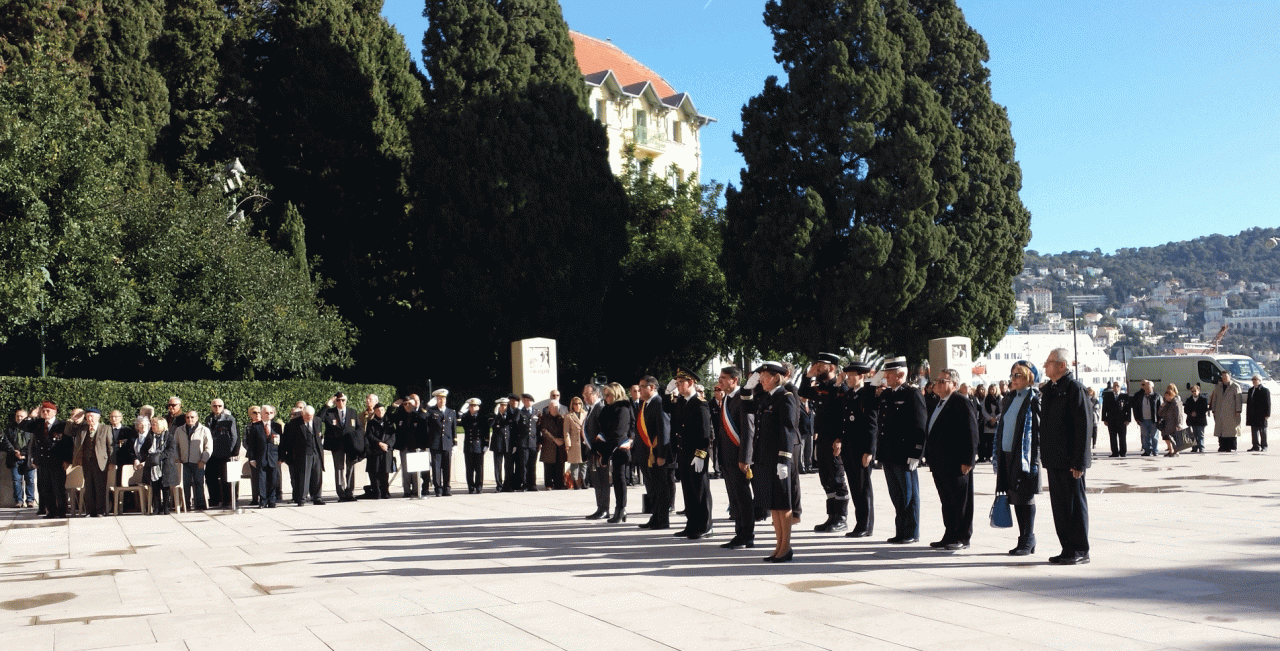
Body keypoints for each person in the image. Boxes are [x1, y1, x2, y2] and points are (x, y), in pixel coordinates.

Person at [1040, 348, 1094, 565]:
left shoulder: (1074, 389)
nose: (1045, 366)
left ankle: (1080, 549)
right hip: (1054, 459)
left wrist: (1080, 461)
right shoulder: (1051, 390)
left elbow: (1084, 427)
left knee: (1074, 505)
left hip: (1070, 461)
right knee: (1060, 507)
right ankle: (1067, 548)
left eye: (1049, 362)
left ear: (1062, 365)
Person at [748, 361, 800, 562]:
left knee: (783, 503)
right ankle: (779, 545)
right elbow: (746, 406)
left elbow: (788, 429)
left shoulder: (785, 397)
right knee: (774, 505)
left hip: (779, 459)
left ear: (777, 377)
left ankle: (786, 547)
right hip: (767, 459)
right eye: (760, 377)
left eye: (765, 377)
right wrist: (747, 386)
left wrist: (784, 459)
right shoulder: (767, 398)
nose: (761, 381)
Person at [924, 369, 979, 551]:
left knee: (960, 502)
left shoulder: (961, 402)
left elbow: (971, 432)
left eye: (943, 381)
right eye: (937, 380)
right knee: (946, 501)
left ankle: (962, 536)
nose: (937, 384)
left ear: (953, 385)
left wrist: (968, 460)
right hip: (940, 463)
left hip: (956, 463)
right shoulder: (937, 402)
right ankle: (950, 533)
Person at [876, 357, 928, 544]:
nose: (886, 377)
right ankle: (901, 530)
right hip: (889, 454)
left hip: (905, 454)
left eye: (889, 374)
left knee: (909, 495)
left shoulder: (912, 394)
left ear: (900, 374)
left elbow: (920, 426)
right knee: (896, 495)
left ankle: (911, 532)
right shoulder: (887, 394)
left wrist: (916, 453)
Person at [799, 352, 850, 533]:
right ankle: (832, 516)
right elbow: (802, 392)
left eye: (821, 365)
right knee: (826, 478)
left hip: (835, 438)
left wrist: (840, 439)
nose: (818, 368)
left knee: (837, 477)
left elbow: (844, 415)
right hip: (822, 439)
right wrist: (807, 376)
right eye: (817, 365)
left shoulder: (841, 387)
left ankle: (842, 517)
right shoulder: (820, 386)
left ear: (832, 367)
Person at [996, 361, 1042, 556]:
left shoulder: (1033, 400)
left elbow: (1038, 433)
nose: (1013, 379)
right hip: (1007, 455)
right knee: (1015, 497)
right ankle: (1022, 539)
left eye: (1018, 375)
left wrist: (1034, 461)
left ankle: (1028, 538)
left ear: (1029, 378)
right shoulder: (1009, 398)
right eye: (1012, 375)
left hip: (1024, 456)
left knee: (1025, 497)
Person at [665, 366, 714, 540]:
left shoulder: (700, 404)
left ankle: (705, 525)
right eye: (676, 383)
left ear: (691, 382)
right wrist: (667, 391)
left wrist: (700, 455)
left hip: (696, 453)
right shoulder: (681, 402)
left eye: (680, 383)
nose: (677, 386)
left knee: (700, 490)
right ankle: (692, 523)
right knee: (688, 490)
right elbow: (665, 408)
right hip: (684, 453)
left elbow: (705, 433)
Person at [712, 366, 756, 549]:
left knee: (743, 497)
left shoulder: (742, 399)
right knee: (734, 498)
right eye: (720, 377)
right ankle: (739, 532)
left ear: (734, 380)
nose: (720, 381)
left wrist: (745, 458)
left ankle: (747, 535)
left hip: (738, 457)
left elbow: (748, 430)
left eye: (723, 378)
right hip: (727, 457)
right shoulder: (727, 399)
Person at [840, 362, 878, 538]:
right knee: (855, 487)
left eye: (851, 375)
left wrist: (869, 451)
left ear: (861, 376)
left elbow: (872, 425)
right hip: (849, 449)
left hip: (861, 449)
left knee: (863, 488)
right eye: (847, 375)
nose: (848, 378)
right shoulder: (849, 395)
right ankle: (860, 522)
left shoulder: (867, 395)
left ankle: (866, 525)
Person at [588, 383, 633, 522]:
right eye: (605, 394)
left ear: (616, 395)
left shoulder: (623, 409)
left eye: (608, 395)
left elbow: (618, 433)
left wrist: (606, 452)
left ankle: (621, 509)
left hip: (619, 449)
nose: (605, 397)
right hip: (609, 448)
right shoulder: (607, 409)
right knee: (615, 479)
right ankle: (619, 509)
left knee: (620, 480)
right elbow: (604, 429)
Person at [636, 376, 673, 530]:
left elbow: (664, 430)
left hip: (656, 453)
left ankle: (663, 519)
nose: (640, 390)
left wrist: (662, 455)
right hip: (647, 453)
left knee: (660, 487)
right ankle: (655, 516)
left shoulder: (659, 403)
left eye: (643, 387)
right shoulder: (646, 403)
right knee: (652, 487)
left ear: (652, 387)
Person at [319, 392, 362, 502]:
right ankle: (341, 493)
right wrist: (327, 405)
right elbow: (318, 418)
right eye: (338, 400)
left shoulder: (352, 412)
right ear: (335, 401)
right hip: (336, 445)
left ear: (346, 400)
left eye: (343, 400)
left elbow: (359, 428)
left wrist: (357, 441)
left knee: (351, 467)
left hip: (350, 444)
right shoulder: (330, 412)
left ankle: (350, 492)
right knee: (339, 468)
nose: (341, 402)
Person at [74, 408, 112, 517]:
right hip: (87, 461)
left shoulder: (105, 429)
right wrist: (75, 419)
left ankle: (100, 510)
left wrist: (112, 462)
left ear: (98, 417)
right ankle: (90, 511)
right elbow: (69, 431)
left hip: (100, 462)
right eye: (87, 416)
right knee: (89, 487)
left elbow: (110, 446)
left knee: (100, 487)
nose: (89, 419)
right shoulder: (82, 429)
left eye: (92, 416)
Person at [284, 405, 325, 505]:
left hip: (316, 452)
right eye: (306, 416)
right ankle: (302, 498)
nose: (308, 418)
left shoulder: (317, 420)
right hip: (303, 454)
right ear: (302, 414)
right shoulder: (294, 423)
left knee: (317, 476)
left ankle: (317, 497)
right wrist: (287, 455)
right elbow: (289, 441)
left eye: (310, 416)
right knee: (304, 477)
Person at [204, 399, 240, 509]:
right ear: (211, 407)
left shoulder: (229, 419)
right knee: (210, 477)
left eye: (219, 406)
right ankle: (214, 499)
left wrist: (230, 451)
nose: (217, 408)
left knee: (226, 478)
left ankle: (227, 501)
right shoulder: (208, 418)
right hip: (212, 453)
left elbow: (234, 436)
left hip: (225, 453)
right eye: (215, 406)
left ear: (223, 407)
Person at [139, 416, 179, 515]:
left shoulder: (169, 436)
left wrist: (159, 457)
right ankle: (156, 507)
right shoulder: (150, 436)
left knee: (165, 487)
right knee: (155, 487)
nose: (152, 426)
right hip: (153, 466)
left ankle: (166, 507)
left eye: (154, 424)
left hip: (165, 465)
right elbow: (143, 449)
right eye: (152, 424)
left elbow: (171, 450)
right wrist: (149, 457)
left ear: (161, 425)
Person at [246, 405, 282, 508]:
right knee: (262, 480)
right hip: (260, 457)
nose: (268, 415)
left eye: (271, 413)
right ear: (262, 414)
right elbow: (251, 444)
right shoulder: (255, 426)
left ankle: (272, 500)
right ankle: (263, 500)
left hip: (273, 457)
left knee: (273, 479)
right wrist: (252, 458)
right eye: (266, 413)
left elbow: (281, 443)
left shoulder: (277, 426)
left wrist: (281, 457)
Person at [391, 396, 427, 498]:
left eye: (409, 404)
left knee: (416, 471)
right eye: (405, 404)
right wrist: (393, 406)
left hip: (415, 447)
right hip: (404, 446)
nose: (407, 406)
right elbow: (388, 416)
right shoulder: (400, 415)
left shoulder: (418, 415)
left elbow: (424, 426)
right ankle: (406, 491)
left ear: (414, 404)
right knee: (406, 471)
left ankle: (416, 490)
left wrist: (422, 446)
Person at [176, 410, 212, 511]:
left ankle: (200, 505)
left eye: (192, 417)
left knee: (199, 483)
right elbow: (175, 446)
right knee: (185, 484)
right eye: (187, 417)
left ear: (197, 418)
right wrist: (177, 459)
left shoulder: (204, 430)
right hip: (184, 462)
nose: (190, 419)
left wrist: (203, 460)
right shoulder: (179, 430)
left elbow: (208, 447)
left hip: (198, 462)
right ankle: (186, 504)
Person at [426, 389, 457, 497]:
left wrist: (455, 444)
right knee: (436, 468)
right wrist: (427, 406)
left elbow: (454, 429)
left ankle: (447, 488)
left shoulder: (451, 412)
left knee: (447, 467)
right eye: (439, 399)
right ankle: (438, 489)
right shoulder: (431, 412)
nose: (441, 400)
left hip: (447, 444)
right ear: (436, 400)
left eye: (443, 398)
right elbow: (423, 419)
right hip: (435, 444)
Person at [4, 409, 36, 508]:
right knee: (16, 480)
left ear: (26, 417)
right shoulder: (10, 427)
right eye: (18, 416)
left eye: (22, 416)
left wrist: (23, 453)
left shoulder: (32, 428)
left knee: (30, 479)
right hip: (14, 458)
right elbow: (6, 441)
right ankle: (19, 501)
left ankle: (30, 500)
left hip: (28, 458)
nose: (19, 418)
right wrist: (15, 452)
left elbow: (32, 442)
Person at [364, 403, 395, 499]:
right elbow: (369, 436)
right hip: (375, 451)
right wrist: (379, 443)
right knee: (375, 472)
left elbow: (393, 435)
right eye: (378, 410)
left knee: (385, 473)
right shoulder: (371, 423)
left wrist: (387, 444)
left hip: (386, 450)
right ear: (375, 411)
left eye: (382, 410)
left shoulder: (389, 422)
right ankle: (377, 492)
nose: (380, 412)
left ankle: (385, 492)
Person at [460, 398, 489, 493]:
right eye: (471, 406)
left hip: (479, 445)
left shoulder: (482, 418)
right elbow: (459, 421)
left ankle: (479, 486)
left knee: (479, 468)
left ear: (478, 407)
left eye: (475, 406)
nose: (473, 408)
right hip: (468, 446)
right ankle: (471, 487)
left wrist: (486, 444)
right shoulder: (465, 417)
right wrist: (461, 411)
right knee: (469, 469)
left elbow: (486, 431)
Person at [1209, 370, 1243, 452]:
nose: (1224, 378)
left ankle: (1232, 446)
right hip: (1220, 412)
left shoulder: (1235, 386)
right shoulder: (1218, 387)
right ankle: (1222, 446)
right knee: (1221, 430)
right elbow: (1214, 399)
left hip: (1231, 412)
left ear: (1229, 377)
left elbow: (1238, 400)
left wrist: (1238, 411)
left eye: (1226, 376)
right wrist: (1213, 409)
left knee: (1231, 430)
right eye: (1223, 376)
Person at [538, 400, 567, 489]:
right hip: (549, 445)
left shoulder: (561, 418)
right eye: (554, 407)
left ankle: (559, 484)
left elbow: (565, 430)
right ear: (549, 408)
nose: (556, 408)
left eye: (557, 407)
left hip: (560, 445)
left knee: (560, 465)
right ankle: (548, 484)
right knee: (548, 466)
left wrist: (562, 439)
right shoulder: (544, 418)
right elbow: (544, 430)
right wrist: (554, 439)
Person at [1101, 381, 1131, 457]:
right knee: (1112, 437)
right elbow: (1104, 408)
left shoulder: (1124, 396)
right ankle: (1114, 452)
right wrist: (1104, 419)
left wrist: (1128, 419)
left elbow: (1128, 409)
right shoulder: (1108, 396)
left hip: (1122, 420)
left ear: (1120, 387)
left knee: (1122, 437)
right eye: (1114, 386)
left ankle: (1123, 452)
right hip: (1111, 420)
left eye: (1117, 386)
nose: (1116, 387)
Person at [1131, 380, 1159, 456]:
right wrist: (1137, 418)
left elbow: (1160, 409)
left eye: (1148, 386)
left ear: (1152, 387)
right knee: (1145, 436)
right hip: (1143, 420)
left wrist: (1159, 419)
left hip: (1153, 420)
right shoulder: (1140, 396)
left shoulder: (1157, 396)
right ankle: (1147, 451)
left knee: (1154, 437)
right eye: (1145, 386)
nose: (1146, 388)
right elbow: (1135, 408)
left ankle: (1155, 451)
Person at [564, 397, 587, 490]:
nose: (577, 406)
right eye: (575, 404)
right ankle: (575, 482)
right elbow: (566, 431)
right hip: (574, 441)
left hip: (584, 441)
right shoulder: (568, 415)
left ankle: (583, 481)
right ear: (572, 405)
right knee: (575, 463)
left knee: (584, 463)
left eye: (579, 403)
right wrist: (568, 443)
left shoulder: (585, 414)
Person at [490, 397, 510, 491]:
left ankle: (507, 485)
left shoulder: (510, 416)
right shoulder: (495, 416)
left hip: (508, 444)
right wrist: (497, 414)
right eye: (502, 405)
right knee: (498, 466)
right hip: (497, 445)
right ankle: (499, 485)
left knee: (508, 466)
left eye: (505, 405)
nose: (503, 407)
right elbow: (491, 424)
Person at [1246, 375, 1270, 452]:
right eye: (1253, 380)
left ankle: (1264, 446)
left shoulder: (1264, 390)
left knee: (1262, 431)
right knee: (1254, 431)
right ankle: (1255, 446)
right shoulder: (1251, 390)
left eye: (1255, 380)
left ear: (1260, 381)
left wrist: (1267, 414)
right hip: (1253, 414)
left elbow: (1268, 403)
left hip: (1261, 414)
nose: (1254, 381)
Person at [1158, 384, 1183, 457]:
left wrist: (1179, 424)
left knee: (1174, 439)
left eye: (1167, 396)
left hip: (1173, 423)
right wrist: (1162, 406)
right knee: (1167, 438)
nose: (1165, 398)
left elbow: (1179, 414)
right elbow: (1160, 413)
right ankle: (1170, 450)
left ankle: (1176, 452)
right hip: (1166, 423)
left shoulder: (1176, 402)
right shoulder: (1167, 403)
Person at [1183, 385, 1209, 453]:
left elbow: (1205, 409)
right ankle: (1194, 447)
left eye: (1195, 391)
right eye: (1192, 391)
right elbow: (1186, 410)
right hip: (1192, 420)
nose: (1194, 393)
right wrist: (1191, 413)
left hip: (1200, 420)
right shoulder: (1189, 400)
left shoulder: (1203, 399)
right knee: (1193, 435)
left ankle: (1201, 447)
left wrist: (1197, 413)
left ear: (1198, 391)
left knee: (1200, 434)